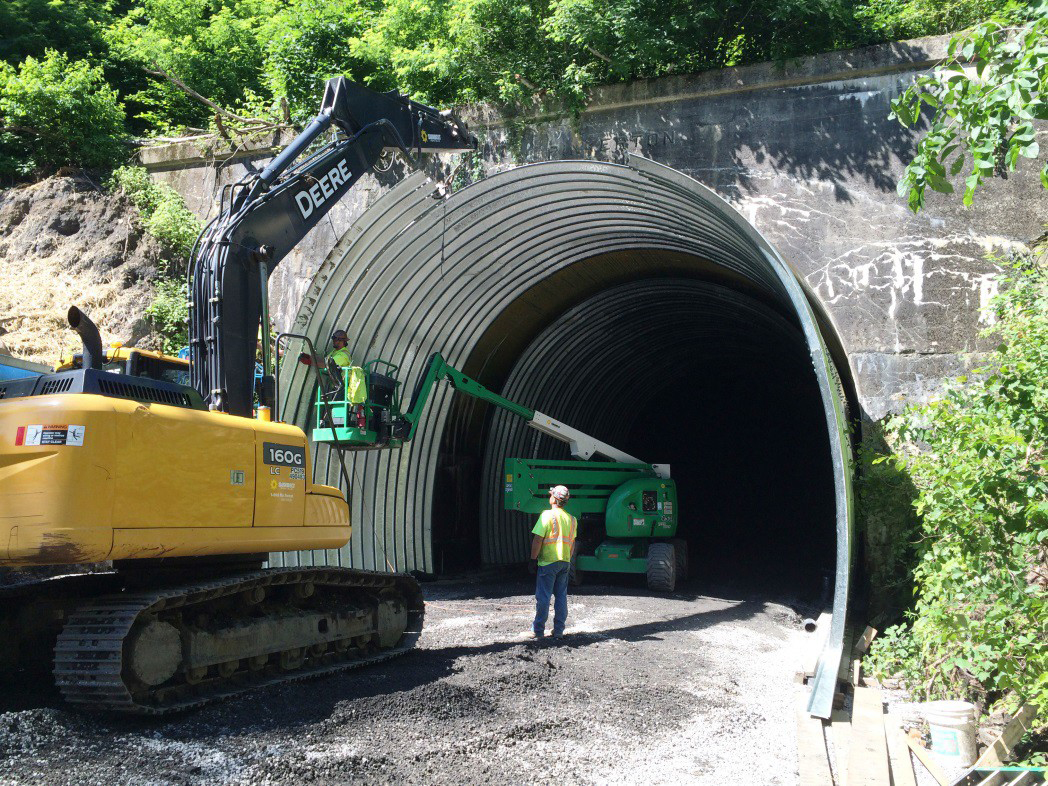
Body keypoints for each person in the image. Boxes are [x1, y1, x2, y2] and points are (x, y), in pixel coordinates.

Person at [530, 484, 577, 639]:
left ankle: (538, 630)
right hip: (565, 561)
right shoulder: (572, 519)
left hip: (548, 562)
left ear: (554, 498)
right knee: (561, 596)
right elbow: (572, 542)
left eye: (551, 494)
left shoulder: (546, 515)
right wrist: (568, 559)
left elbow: (538, 540)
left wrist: (532, 559)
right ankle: (558, 631)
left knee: (543, 596)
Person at [326, 329, 367, 406]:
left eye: (334, 339)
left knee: (338, 412)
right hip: (337, 386)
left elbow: (329, 364)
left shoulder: (343, 355)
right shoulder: (335, 352)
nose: (333, 341)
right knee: (333, 411)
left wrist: (311, 360)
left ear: (340, 341)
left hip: (342, 387)